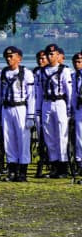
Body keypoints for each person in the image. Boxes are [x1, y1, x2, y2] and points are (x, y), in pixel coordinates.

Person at [0, 46, 35, 182]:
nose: (9, 59)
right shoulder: (2, 73)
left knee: (23, 139)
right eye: (7, 57)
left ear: (19, 58)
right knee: (8, 140)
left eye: (11, 56)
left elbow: (31, 96)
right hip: (6, 109)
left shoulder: (26, 73)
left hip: (21, 108)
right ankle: (12, 170)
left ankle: (22, 171)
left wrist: (31, 116)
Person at [36, 43, 72, 178]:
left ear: (58, 55)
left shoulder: (64, 70)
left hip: (60, 103)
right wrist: (37, 110)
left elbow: (69, 92)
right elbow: (38, 92)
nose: (50, 56)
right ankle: (54, 166)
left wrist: (69, 110)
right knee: (49, 136)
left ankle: (63, 167)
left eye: (52, 54)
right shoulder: (41, 72)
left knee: (61, 136)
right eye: (48, 54)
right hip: (46, 103)